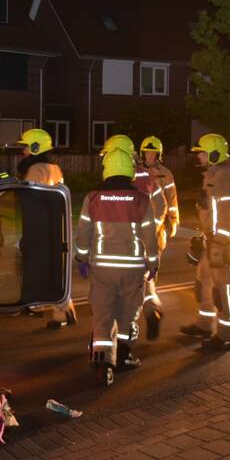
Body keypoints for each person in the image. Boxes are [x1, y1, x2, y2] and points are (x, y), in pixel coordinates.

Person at [75, 149, 158, 386]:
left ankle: (102, 361)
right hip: (132, 269)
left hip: (102, 269)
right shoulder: (141, 199)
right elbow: (150, 236)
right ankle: (124, 356)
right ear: (130, 171)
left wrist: (82, 259)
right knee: (128, 314)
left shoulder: (93, 198)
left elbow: (83, 233)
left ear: (107, 170)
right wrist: (153, 263)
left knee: (103, 314)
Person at [182, 134, 230, 350]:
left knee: (223, 288)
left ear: (214, 154)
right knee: (204, 282)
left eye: (202, 152)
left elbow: (227, 215)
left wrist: (219, 244)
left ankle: (226, 335)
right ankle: (205, 325)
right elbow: (212, 212)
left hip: (223, 244)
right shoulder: (213, 174)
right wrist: (204, 236)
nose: (198, 155)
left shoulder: (225, 177)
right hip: (212, 240)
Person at [13, 128, 77, 330]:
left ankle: (39, 304)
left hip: (39, 230)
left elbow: (31, 201)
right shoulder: (54, 168)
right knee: (54, 271)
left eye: (25, 147)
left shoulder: (35, 170)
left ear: (35, 147)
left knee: (41, 269)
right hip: (55, 228)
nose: (23, 151)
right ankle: (63, 311)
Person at [139, 136, 179, 336]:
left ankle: (148, 311)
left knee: (146, 275)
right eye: (147, 152)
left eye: (153, 153)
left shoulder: (166, 175)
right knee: (144, 277)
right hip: (139, 230)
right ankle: (152, 309)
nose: (150, 155)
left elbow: (171, 200)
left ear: (159, 155)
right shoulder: (136, 172)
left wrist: (173, 220)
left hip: (156, 231)